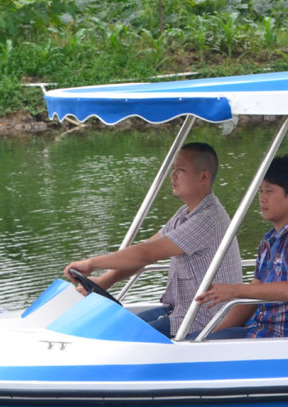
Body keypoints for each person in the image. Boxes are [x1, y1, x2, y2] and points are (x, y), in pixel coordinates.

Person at [63, 141, 242, 338]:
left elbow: (145, 255)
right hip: (180, 312)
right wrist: (105, 280)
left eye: (180, 170)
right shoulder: (186, 214)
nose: (172, 176)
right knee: (117, 324)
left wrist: (92, 263)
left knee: (119, 335)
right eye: (173, 169)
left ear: (203, 176)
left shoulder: (207, 220)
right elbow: (148, 249)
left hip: (203, 320)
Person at [196, 154, 288, 338]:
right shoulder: (270, 241)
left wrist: (234, 290)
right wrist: (207, 335)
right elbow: (251, 299)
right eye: (260, 191)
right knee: (198, 340)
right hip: (265, 330)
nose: (262, 198)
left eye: (269, 191)